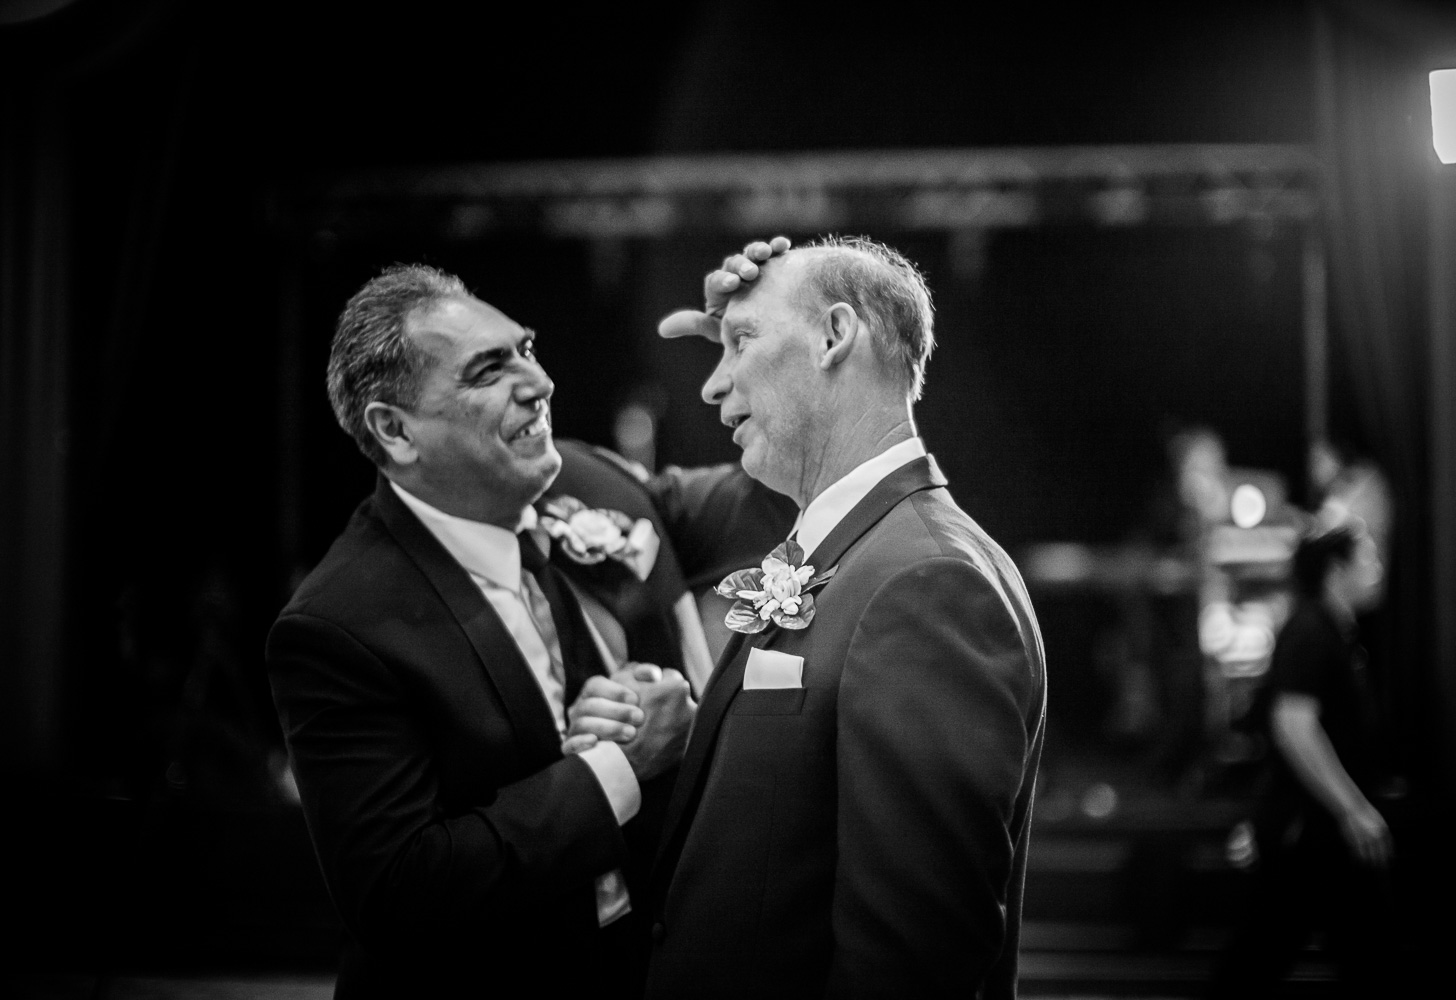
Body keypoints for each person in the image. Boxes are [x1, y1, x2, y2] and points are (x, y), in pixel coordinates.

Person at [570, 236, 1048, 998]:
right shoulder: (851, 543)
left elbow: (911, 964)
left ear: (833, 336)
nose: (710, 386)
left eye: (738, 344)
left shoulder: (924, 583)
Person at [266, 264, 704, 997]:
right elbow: (400, 892)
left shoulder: (587, 483)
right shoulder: (339, 625)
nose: (538, 383)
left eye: (525, 349)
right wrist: (622, 767)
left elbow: (744, 502)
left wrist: (768, 350)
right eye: (488, 371)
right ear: (395, 431)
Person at [1212, 522, 1401, 997]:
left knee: (1360, 953)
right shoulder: (1312, 630)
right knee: (1261, 958)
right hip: (1306, 830)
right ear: (1337, 569)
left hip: (1318, 832)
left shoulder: (1332, 630)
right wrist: (1353, 809)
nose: (1379, 570)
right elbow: (1294, 725)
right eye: (1369, 559)